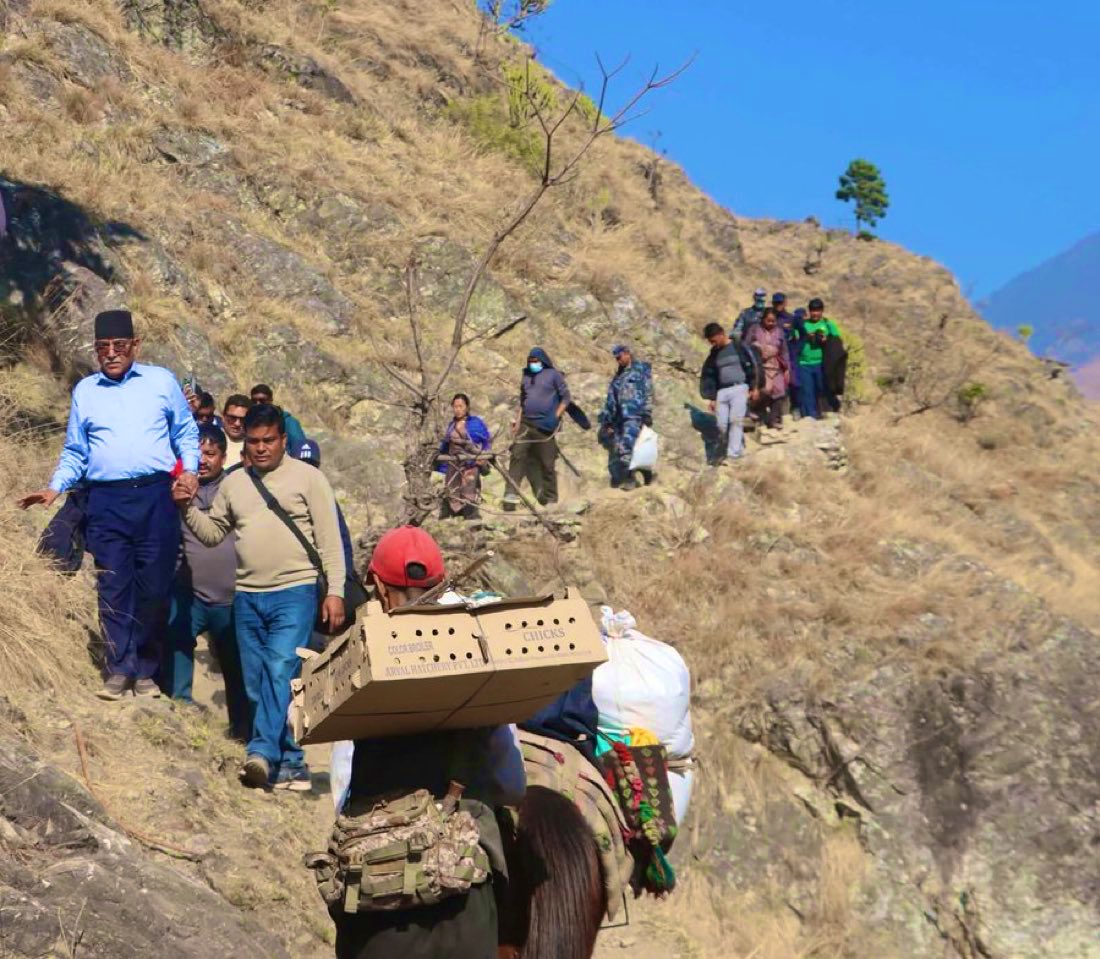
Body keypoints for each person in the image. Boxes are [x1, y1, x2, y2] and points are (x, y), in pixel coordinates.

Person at [334, 526, 525, 959]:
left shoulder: (357, 666)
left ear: (379, 587)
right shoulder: (478, 662)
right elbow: (512, 784)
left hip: (378, 890)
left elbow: (342, 789)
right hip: (464, 892)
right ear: (441, 587)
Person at [18, 310, 200, 700]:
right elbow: (76, 450)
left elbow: (186, 431)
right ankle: (120, 669)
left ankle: (148, 670)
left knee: (153, 586)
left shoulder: (160, 382)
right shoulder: (87, 391)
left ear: (135, 345)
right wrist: (54, 488)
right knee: (113, 584)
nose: (112, 354)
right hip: (106, 500)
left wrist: (192, 472)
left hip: (155, 496)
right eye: (103, 348)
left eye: (119, 346)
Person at [173, 403, 346, 791]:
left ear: (284, 439)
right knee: (255, 683)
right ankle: (292, 764)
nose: (261, 448)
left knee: (280, 668)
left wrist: (334, 591)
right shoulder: (235, 483)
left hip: (296, 591)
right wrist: (186, 507)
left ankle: (261, 751)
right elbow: (214, 532)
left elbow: (331, 542)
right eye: (253, 442)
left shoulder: (309, 479)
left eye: (269, 440)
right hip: (247, 595)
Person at [163, 424, 249, 740]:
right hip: (189, 591)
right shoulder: (176, 489)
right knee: (176, 643)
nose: (202, 460)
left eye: (210, 454)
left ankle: (243, 732)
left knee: (236, 667)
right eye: (197, 453)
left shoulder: (238, 488)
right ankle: (180, 715)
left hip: (232, 596)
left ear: (224, 457)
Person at [504, 347, 570, 509]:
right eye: (530, 361)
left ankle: (551, 498)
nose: (533, 364)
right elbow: (522, 401)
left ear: (542, 361)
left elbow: (566, 397)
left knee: (547, 462)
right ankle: (511, 494)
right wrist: (517, 423)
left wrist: (556, 416)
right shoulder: (526, 376)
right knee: (517, 455)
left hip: (546, 426)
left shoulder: (553, 375)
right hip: (526, 423)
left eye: (535, 361)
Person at [290, 436, 355, 585]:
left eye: (311, 464)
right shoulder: (283, 496)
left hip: (321, 577)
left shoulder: (325, 496)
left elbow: (341, 537)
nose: (307, 470)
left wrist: (346, 576)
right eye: (301, 464)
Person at [700, 322, 759, 462]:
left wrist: (754, 387)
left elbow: (753, 365)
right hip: (722, 391)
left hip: (739, 388)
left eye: (714, 340)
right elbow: (710, 375)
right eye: (710, 342)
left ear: (721, 334)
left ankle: (734, 454)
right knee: (721, 424)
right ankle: (727, 448)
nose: (713, 344)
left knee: (736, 420)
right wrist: (712, 397)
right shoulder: (714, 354)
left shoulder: (739, 347)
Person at [597, 344, 654, 490]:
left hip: (635, 415)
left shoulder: (641, 369)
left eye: (620, 357)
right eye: (616, 359)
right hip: (620, 417)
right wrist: (607, 421)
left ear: (627, 353)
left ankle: (630, 479)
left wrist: (647, 412)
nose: (618, 361)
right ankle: (645, 472)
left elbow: (648, 391)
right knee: (626, 447)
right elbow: (611, 399)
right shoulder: (618, 377)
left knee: (626, 446)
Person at [436, 393, 492, 520]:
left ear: (467, 407)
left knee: (469, 489)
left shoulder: (476, 423)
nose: (458, 409)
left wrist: (483, 456)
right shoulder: (451, 425)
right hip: (453, 463)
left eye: (460, 406)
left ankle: (471, 518)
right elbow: (445, 445)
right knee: (451, 489)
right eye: (455, 407)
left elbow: (485, 441)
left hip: (471, 464)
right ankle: (449, 516)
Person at [795, 298, 842, 419]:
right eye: (813, 310)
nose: (815, 313)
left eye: (818, 310)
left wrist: (826, 340)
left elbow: (837, 341)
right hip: (804, 363)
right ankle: (811, 417)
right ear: (809, 311)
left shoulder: (828, 324)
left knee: (823, 387)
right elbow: (795, 338)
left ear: (822, 311)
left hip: (822, 363)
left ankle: (833, 409)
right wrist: (806, 336)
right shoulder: (803, 325)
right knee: (808, 392)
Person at [745, 308, 791, 430]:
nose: (771, 323)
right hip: (759, 366)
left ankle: (773, 419)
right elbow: (746, 346)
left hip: (775, 366)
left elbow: (784, 351)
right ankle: (756, 412)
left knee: (779, 391)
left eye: (773, 321)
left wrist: (787, 368)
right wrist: (757, 348)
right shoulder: (754, 329)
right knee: (764, 391)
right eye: (768, 321)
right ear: (763, 319)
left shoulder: (780, 332)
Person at [250, 383, 306, 448]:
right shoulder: (249, 423)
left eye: (262, 401)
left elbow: (301, 449)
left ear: (270, 400)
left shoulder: (289, 423)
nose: (258, 404)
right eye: (254, 401)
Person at [221, 393, 251, 467]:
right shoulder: (210, 440)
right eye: (232, 418)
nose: (237, 424)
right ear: (223, 417)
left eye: (242, 419)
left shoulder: (254, 445)